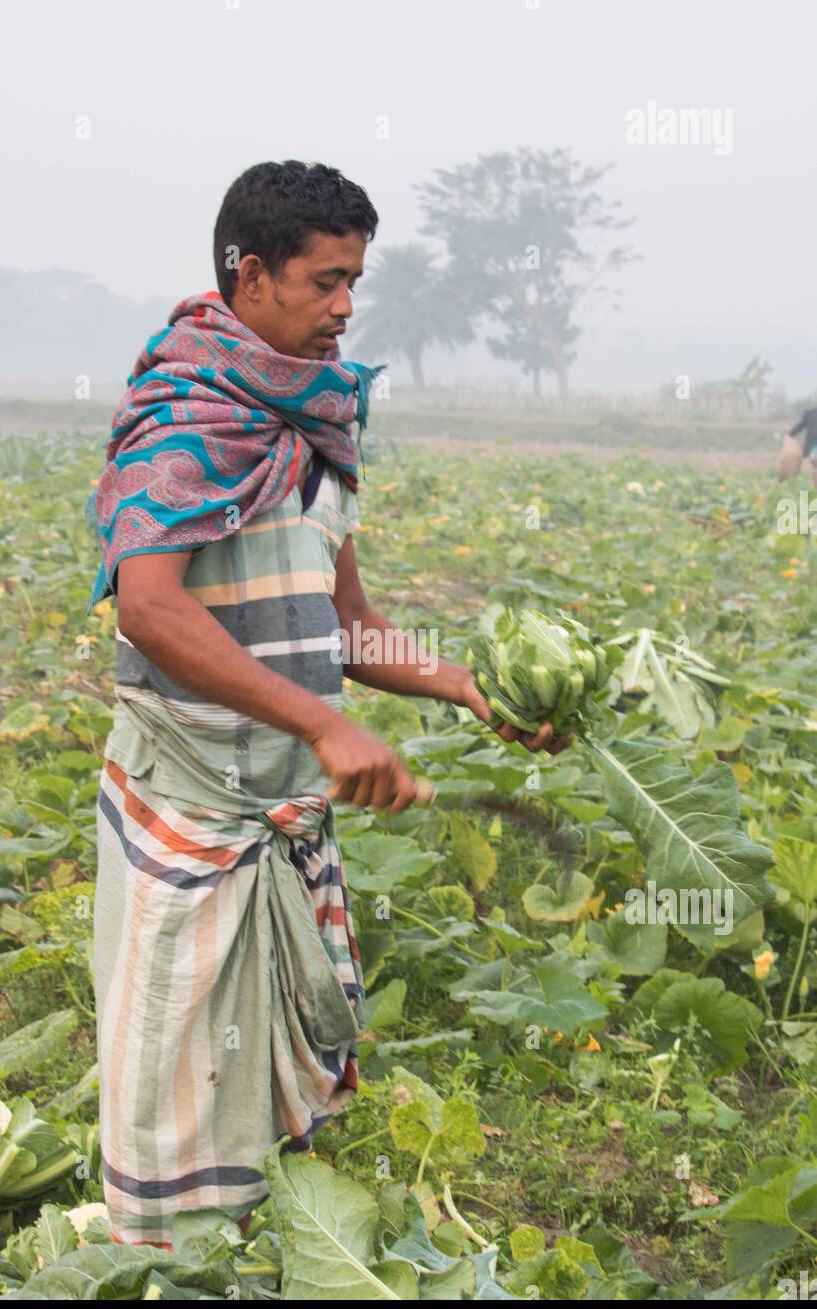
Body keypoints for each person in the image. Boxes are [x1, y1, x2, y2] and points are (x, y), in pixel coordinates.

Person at [85, 160, 571, 1252]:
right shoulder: (181, 423)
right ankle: (155, 1272)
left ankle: (245, 1257)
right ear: (250, 276)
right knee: (173, 1071)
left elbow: (344, 622)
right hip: (195, 806)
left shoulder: (315, 427)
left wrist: (460, 683)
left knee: (258, 1078)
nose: (347, 305)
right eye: (324, 281)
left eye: (356, 279)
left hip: (285, 808)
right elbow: (152, 612)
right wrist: (320, 722)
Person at [779, 405, 817, 481]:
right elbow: (800, 426)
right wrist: (790, 434)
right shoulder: (810, 413)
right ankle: (808, 491)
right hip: (813, 446)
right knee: (814, 466)